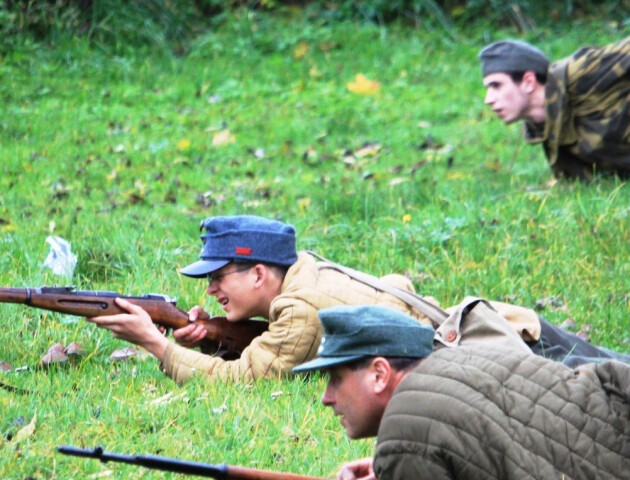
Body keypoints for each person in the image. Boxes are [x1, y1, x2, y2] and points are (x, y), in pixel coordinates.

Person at [88, 214, 630, 383]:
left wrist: (156, 347)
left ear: (259, 273)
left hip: (500, 357)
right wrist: (213, 337)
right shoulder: (305, 271)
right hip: (498, 327)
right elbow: (284, 341)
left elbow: (243, 382)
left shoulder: (297, 307)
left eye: (218, 277)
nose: (208, 289)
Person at [293, 305, 630, 480]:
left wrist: (400, 456)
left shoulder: (404, 431)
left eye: (335, 378)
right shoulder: (470, 357)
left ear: (380, 374)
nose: (327, 397)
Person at [479, 37, 630, 180]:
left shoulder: (581, 73)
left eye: (496, 86)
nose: (488, 99)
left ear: (528, 82)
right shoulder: (549, 131)